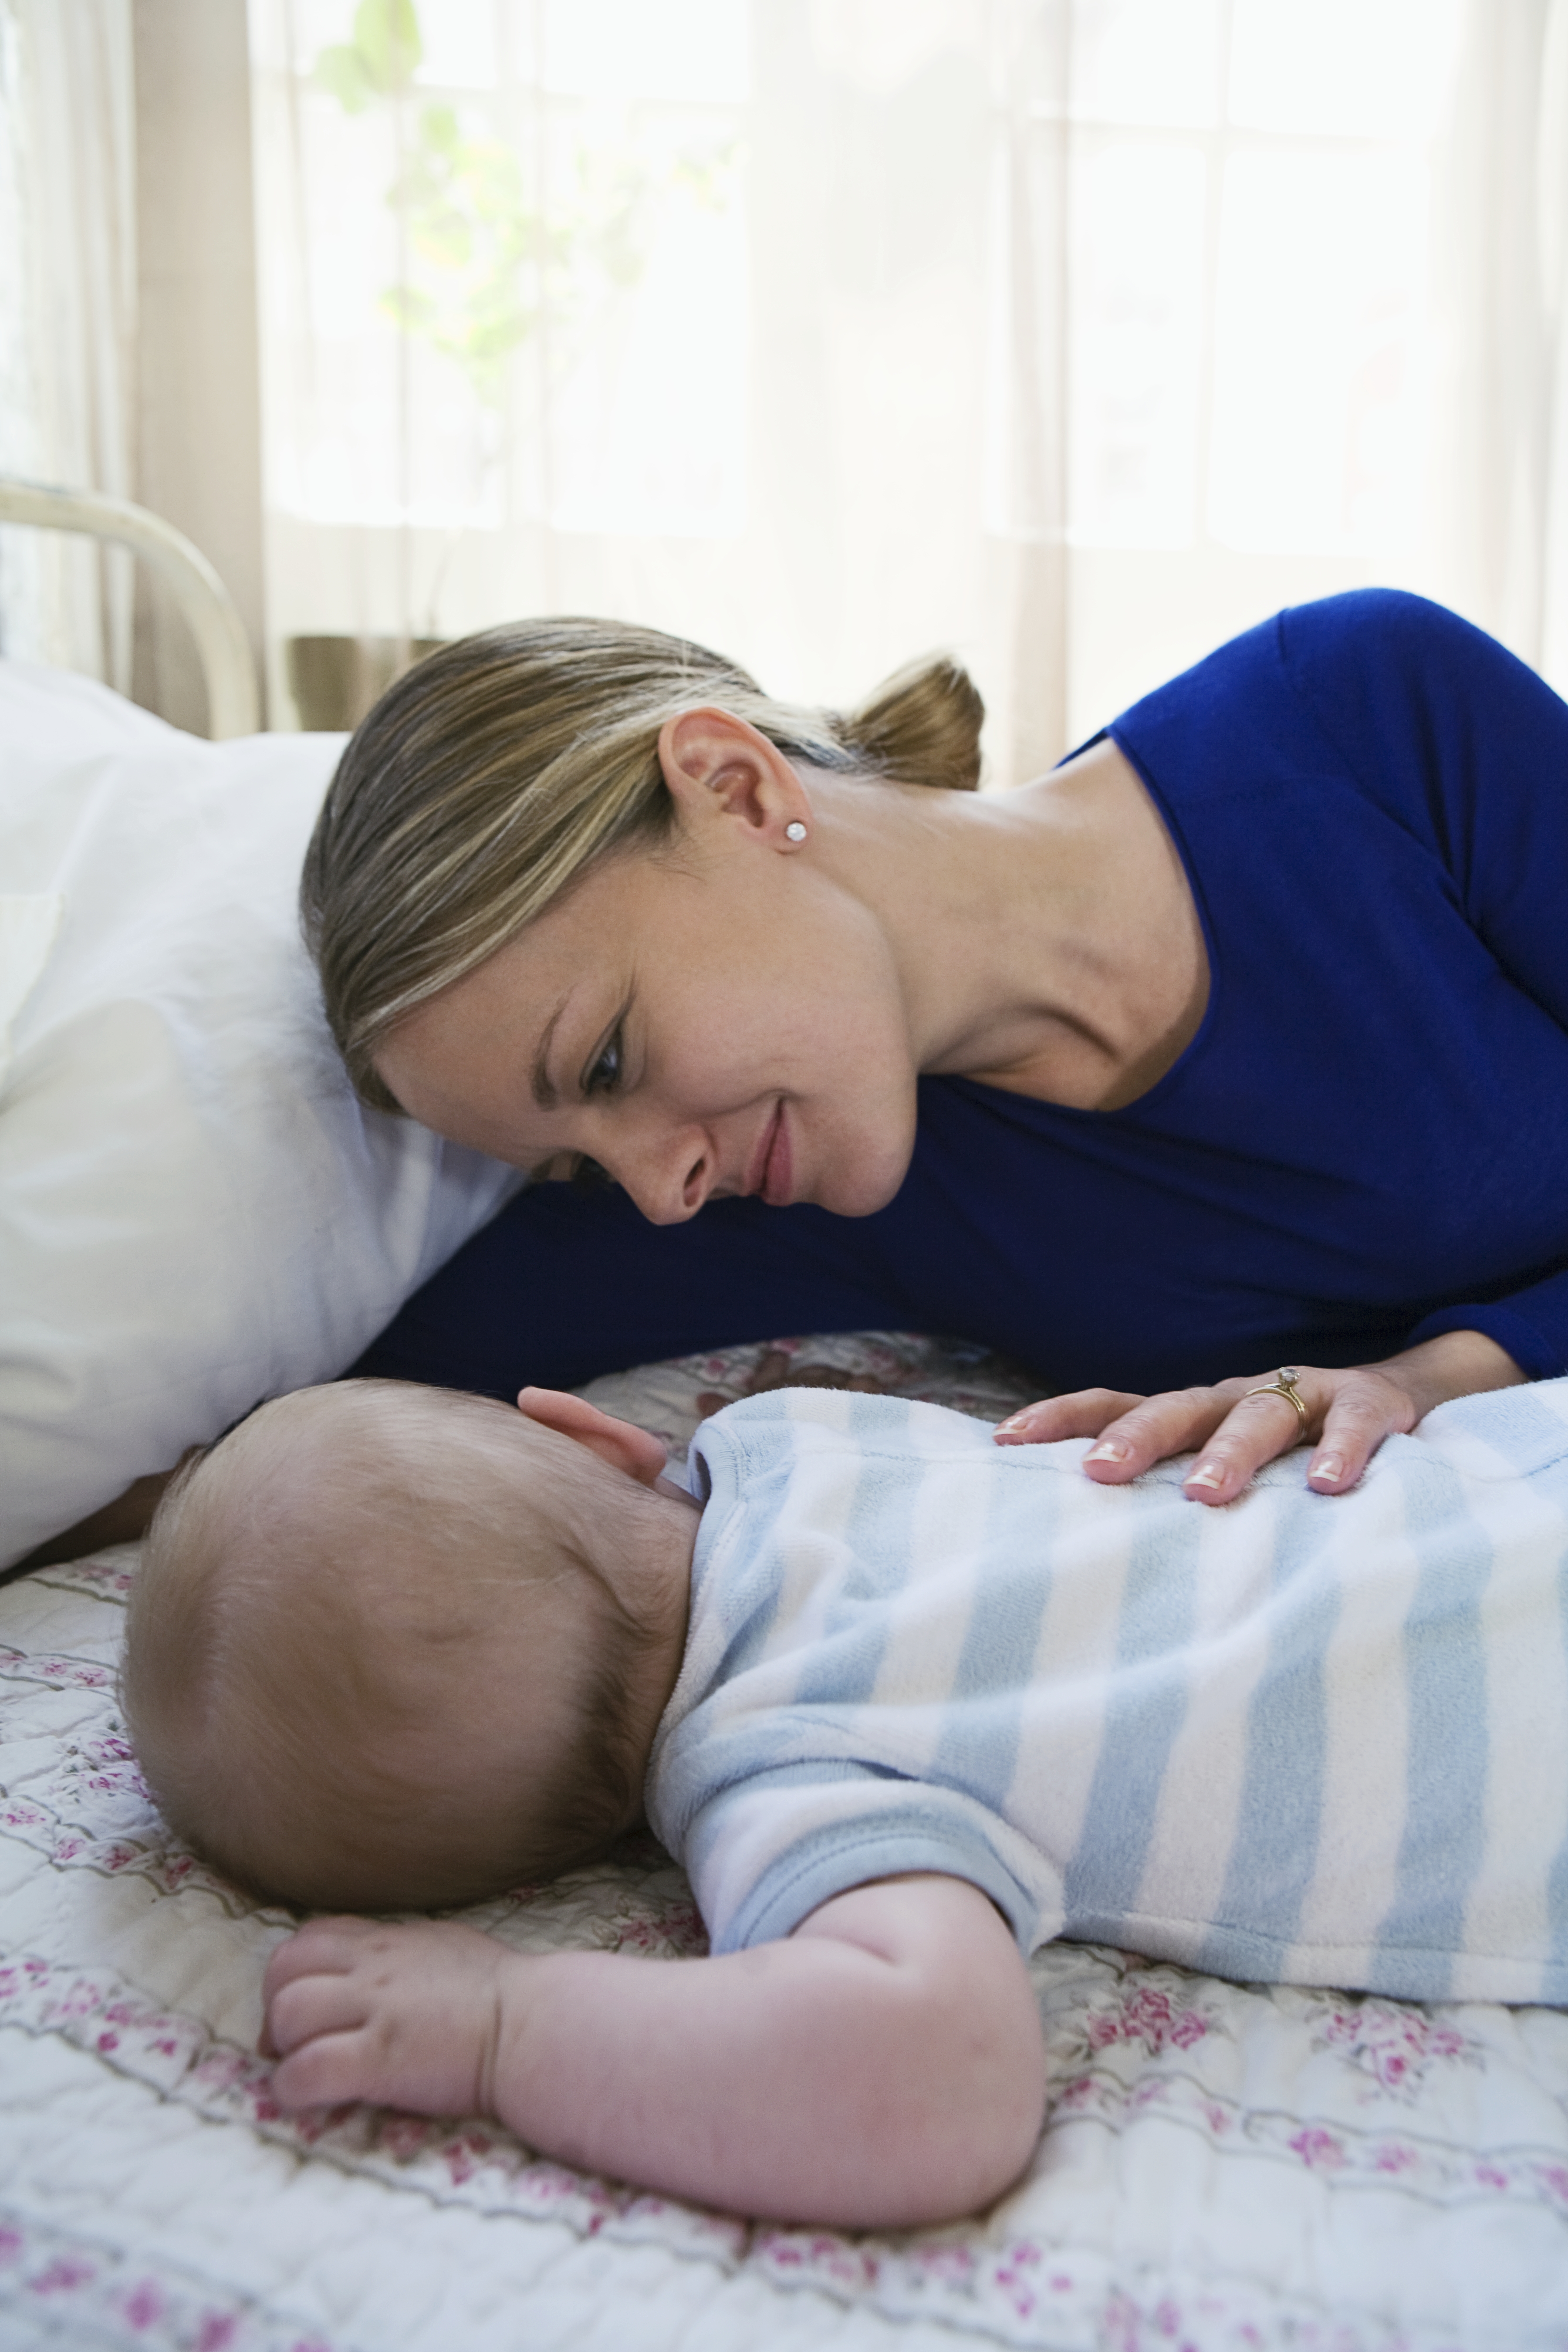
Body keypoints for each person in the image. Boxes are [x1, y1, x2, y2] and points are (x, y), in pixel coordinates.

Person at [122, 1371, 1568, 2229]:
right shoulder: (796, 1432)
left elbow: (931, 2086)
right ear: (591, 1437)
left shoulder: (785, 1777)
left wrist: (505, 2030)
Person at [299, 588, 1568, 1514]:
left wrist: (1433, 1374)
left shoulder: (1365, 721)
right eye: (580, 1166)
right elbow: (331, 1428)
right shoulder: (809, 1186)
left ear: (736, 789)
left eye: (609, 1066)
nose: (655, 1192)